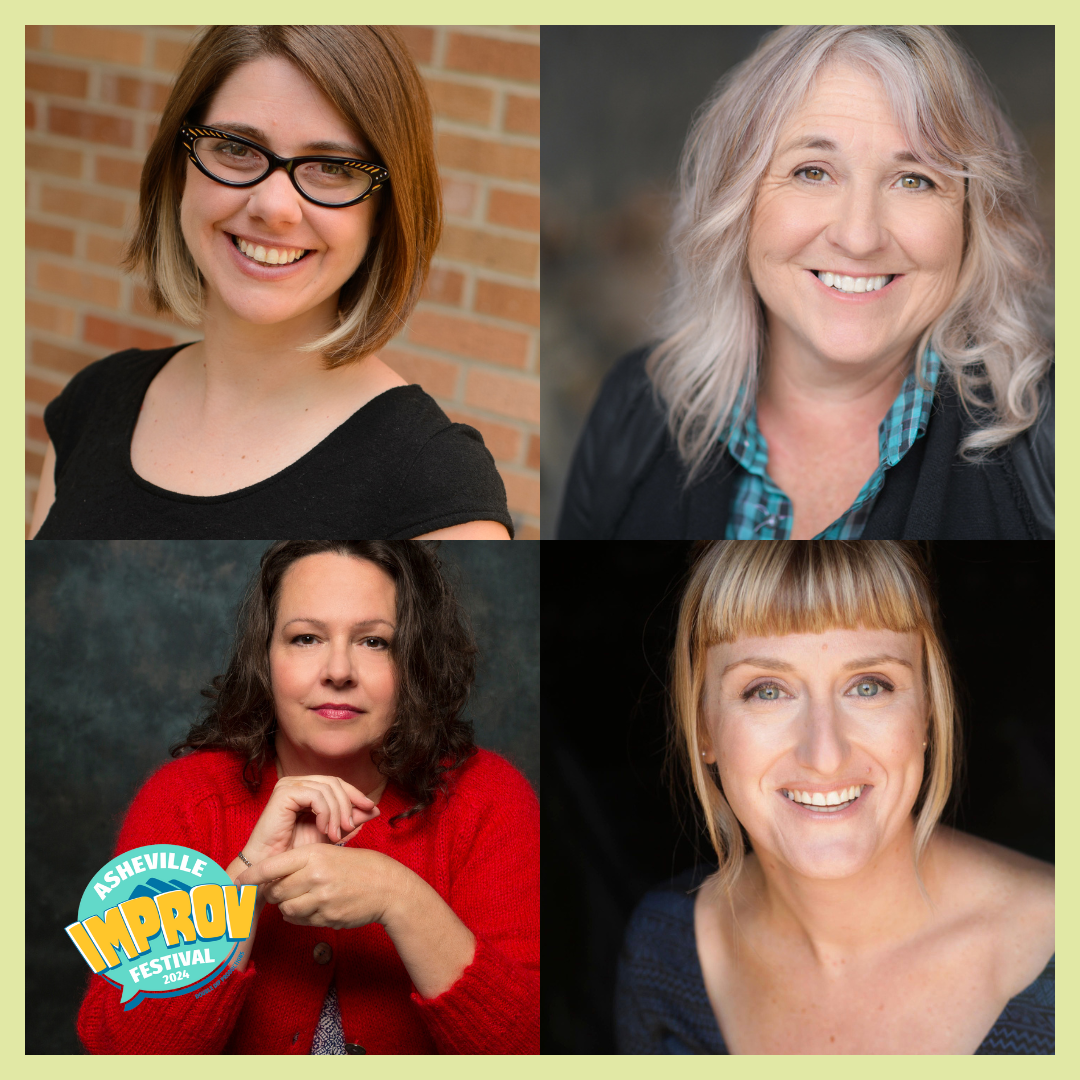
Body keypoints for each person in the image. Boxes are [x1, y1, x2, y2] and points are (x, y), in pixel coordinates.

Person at [559, 26, 1053, 540]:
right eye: (813, 172)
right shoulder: (631, 408)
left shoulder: (1053, 447)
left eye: (915, 179)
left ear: (974, 221)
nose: (859, 237)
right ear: (739, 202)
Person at [30, 27, 512, 540]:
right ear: (179, 169)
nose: (275, 208)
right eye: (237, 148)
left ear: (383, 212)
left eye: (331, 167)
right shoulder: (93, 401)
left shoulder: (439, 486)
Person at [77, 540, 539, 1054]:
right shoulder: (185, 800)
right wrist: (239, 889)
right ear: (265, 657)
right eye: (305, 638)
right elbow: (122, 1052)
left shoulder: (488, 799)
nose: (338, 671)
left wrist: (400, 898)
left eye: (375, 642)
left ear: (415, 661)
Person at [615, 540, 1054, 1054]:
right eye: (767, 690)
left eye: (869, 686)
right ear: (703, 727)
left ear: (928, 713)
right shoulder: (662, 952)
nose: (824, 755)